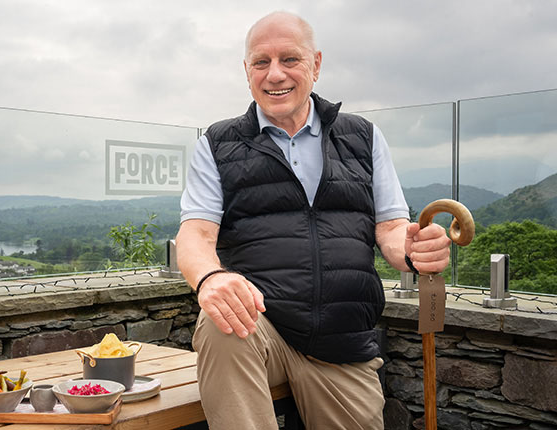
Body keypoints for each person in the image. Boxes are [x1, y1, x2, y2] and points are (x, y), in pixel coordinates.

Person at [176, 11, 451, 430]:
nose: (274, 75)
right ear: (246, 71)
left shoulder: (364, 137)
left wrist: (413, 249)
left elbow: (392, 229)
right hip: (258, 330)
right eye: (260, 62)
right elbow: (195, 234)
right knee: (220, 324)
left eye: (290, 59)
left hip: (340, 343)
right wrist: (211, 279)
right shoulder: (217, 144)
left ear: (316, 65)